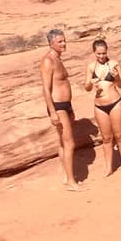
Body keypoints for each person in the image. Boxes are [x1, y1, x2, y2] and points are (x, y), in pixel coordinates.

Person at [85, 37, 121, 177]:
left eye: (104, 53)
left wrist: (116, 77)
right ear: (94, 53)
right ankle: (108, 168)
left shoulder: (114, 64)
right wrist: (91, 84)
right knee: (106, 138)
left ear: (107, 51)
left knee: (120, 135)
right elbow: (86, 87)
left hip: (115, 103)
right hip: (99, 106)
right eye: (98, 54)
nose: (101, 56)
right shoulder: (91, 67)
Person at [39, 27, 77, 190]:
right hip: (58, 106)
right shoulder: (48, 61)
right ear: (51, 43)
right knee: (69, 143)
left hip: (65, 105)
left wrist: (71, 108)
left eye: (64, 40)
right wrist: (53, 112)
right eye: (60, 41)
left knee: (62, 143)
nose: (64, 43)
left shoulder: (58, 59)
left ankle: (65, 176)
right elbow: (46, 88)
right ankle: (71, 181)